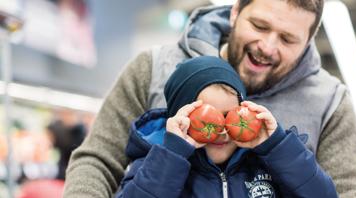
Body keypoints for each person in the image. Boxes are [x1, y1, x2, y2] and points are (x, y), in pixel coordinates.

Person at [64, 1, 356, 197]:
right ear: (235, 12)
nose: (267, 46)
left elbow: (346, 193)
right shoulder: (154, 68)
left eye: (288, 39)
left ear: (308, 42)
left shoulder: (330, 100)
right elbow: (98, 160)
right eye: (259, 26)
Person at [116, 56, 337, 197]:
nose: (220, 129)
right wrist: (173, 154)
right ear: (178, 118)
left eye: (228, 116)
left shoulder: (266, 164)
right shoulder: (154, 163)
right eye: (206, 118)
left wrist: (277, 145)